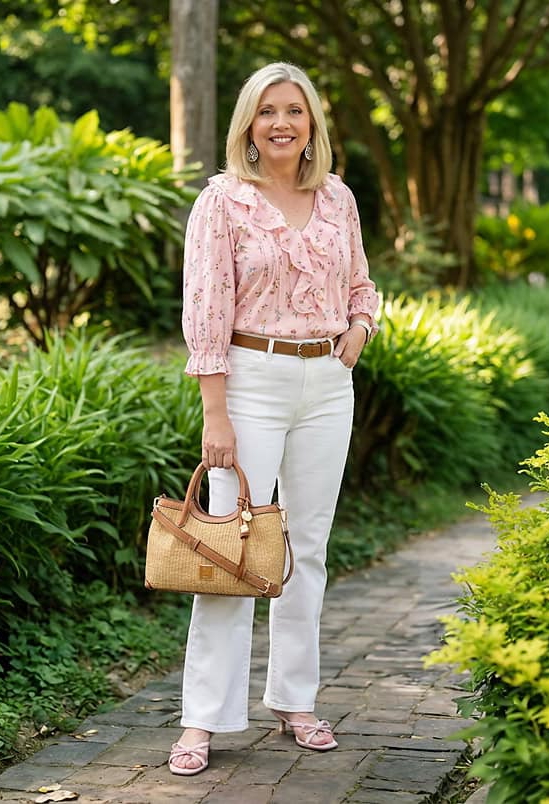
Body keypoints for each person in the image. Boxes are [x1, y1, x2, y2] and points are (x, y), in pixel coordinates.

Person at [169, 61, 379, 776]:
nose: (282, 122)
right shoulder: (223, 203)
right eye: (267, 111)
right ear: (248, 126)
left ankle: (296, 701)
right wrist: (215, 413)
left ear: (312, 121)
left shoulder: (338, 200)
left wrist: (359, 329)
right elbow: (206, 310)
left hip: (327, 384)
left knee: (306, 549)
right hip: (249, 382)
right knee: (230, 551)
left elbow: (361, 283)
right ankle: (203, 719)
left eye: (294, 109)